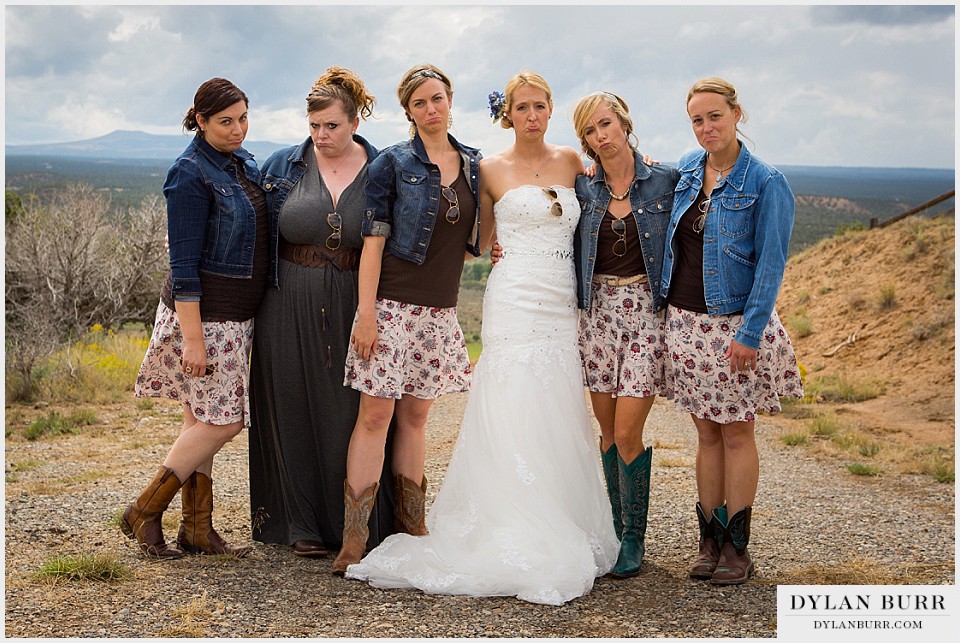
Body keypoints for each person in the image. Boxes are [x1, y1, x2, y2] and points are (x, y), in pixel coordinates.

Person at [345, 71, 619, 605]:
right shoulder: (485, 168)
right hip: (513, 296)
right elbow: (479, 238)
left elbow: (616, 182)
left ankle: (559, 511)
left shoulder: (572, 163)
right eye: (522, 107)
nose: (532, 115)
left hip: (561, 301)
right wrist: (491, 251)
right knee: (509, 399)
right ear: (507, 113)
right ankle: (490, 514)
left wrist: (645, 162)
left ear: (550, 108)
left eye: (540, 105)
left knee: (556, 403)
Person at [331, 64, 481, 574]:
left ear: (450, 99)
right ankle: (354, 540)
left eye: (437, 98)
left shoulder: (475, 164)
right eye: (420, 103)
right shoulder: (392, 164)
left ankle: (413, 528)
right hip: (391, 308)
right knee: (375, 417)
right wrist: (366, 314)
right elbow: (372, 245)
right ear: (409, 112)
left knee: (416, 419)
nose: (431, 109)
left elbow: (482, 234)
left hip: (438, 313)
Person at [660, 77, 804, 585]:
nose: (706, 127)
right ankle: (710, 539)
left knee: (738, 431)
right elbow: (635, 181)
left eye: (714, 116)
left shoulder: (766, 181)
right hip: (685, 322)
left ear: (737, 114)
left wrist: (751, 331)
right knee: (705, 431)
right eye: (697, 120)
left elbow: (771, 264)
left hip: (734, 327)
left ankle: (738, 549)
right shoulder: (683, 171)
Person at [247, 68, 396, 559]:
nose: (320, 136)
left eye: (331, 125)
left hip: (359, 301)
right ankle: (300, 522)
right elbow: (236, 207)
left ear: (355, 120)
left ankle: (354, 524)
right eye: (314, 126)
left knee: (350, 408)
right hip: (286, 300)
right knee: (291, 405)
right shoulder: (281, 165)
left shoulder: (384, 168)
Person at [124, 78, 271, 559]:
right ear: (201, 119)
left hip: (234, 317)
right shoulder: (188, 174)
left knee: (199, 420)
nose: (238, 129)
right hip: (205, 320)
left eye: (243, 118)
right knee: (224, 422)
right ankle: (144, 510)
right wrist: (193, 339)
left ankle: (197, 529)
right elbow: (182, 266)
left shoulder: (239, 161)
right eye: (226, 121)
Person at [572, 91, 680, 578]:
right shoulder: (584, 186)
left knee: (626, 431)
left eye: (606, 124)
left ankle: (634, 538)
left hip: (643, 314)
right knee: (606, 433)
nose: (601, 136)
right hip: (596, 314)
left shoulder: (666, 179)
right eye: (591, 131)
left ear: (624, 123)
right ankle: (616, 531)